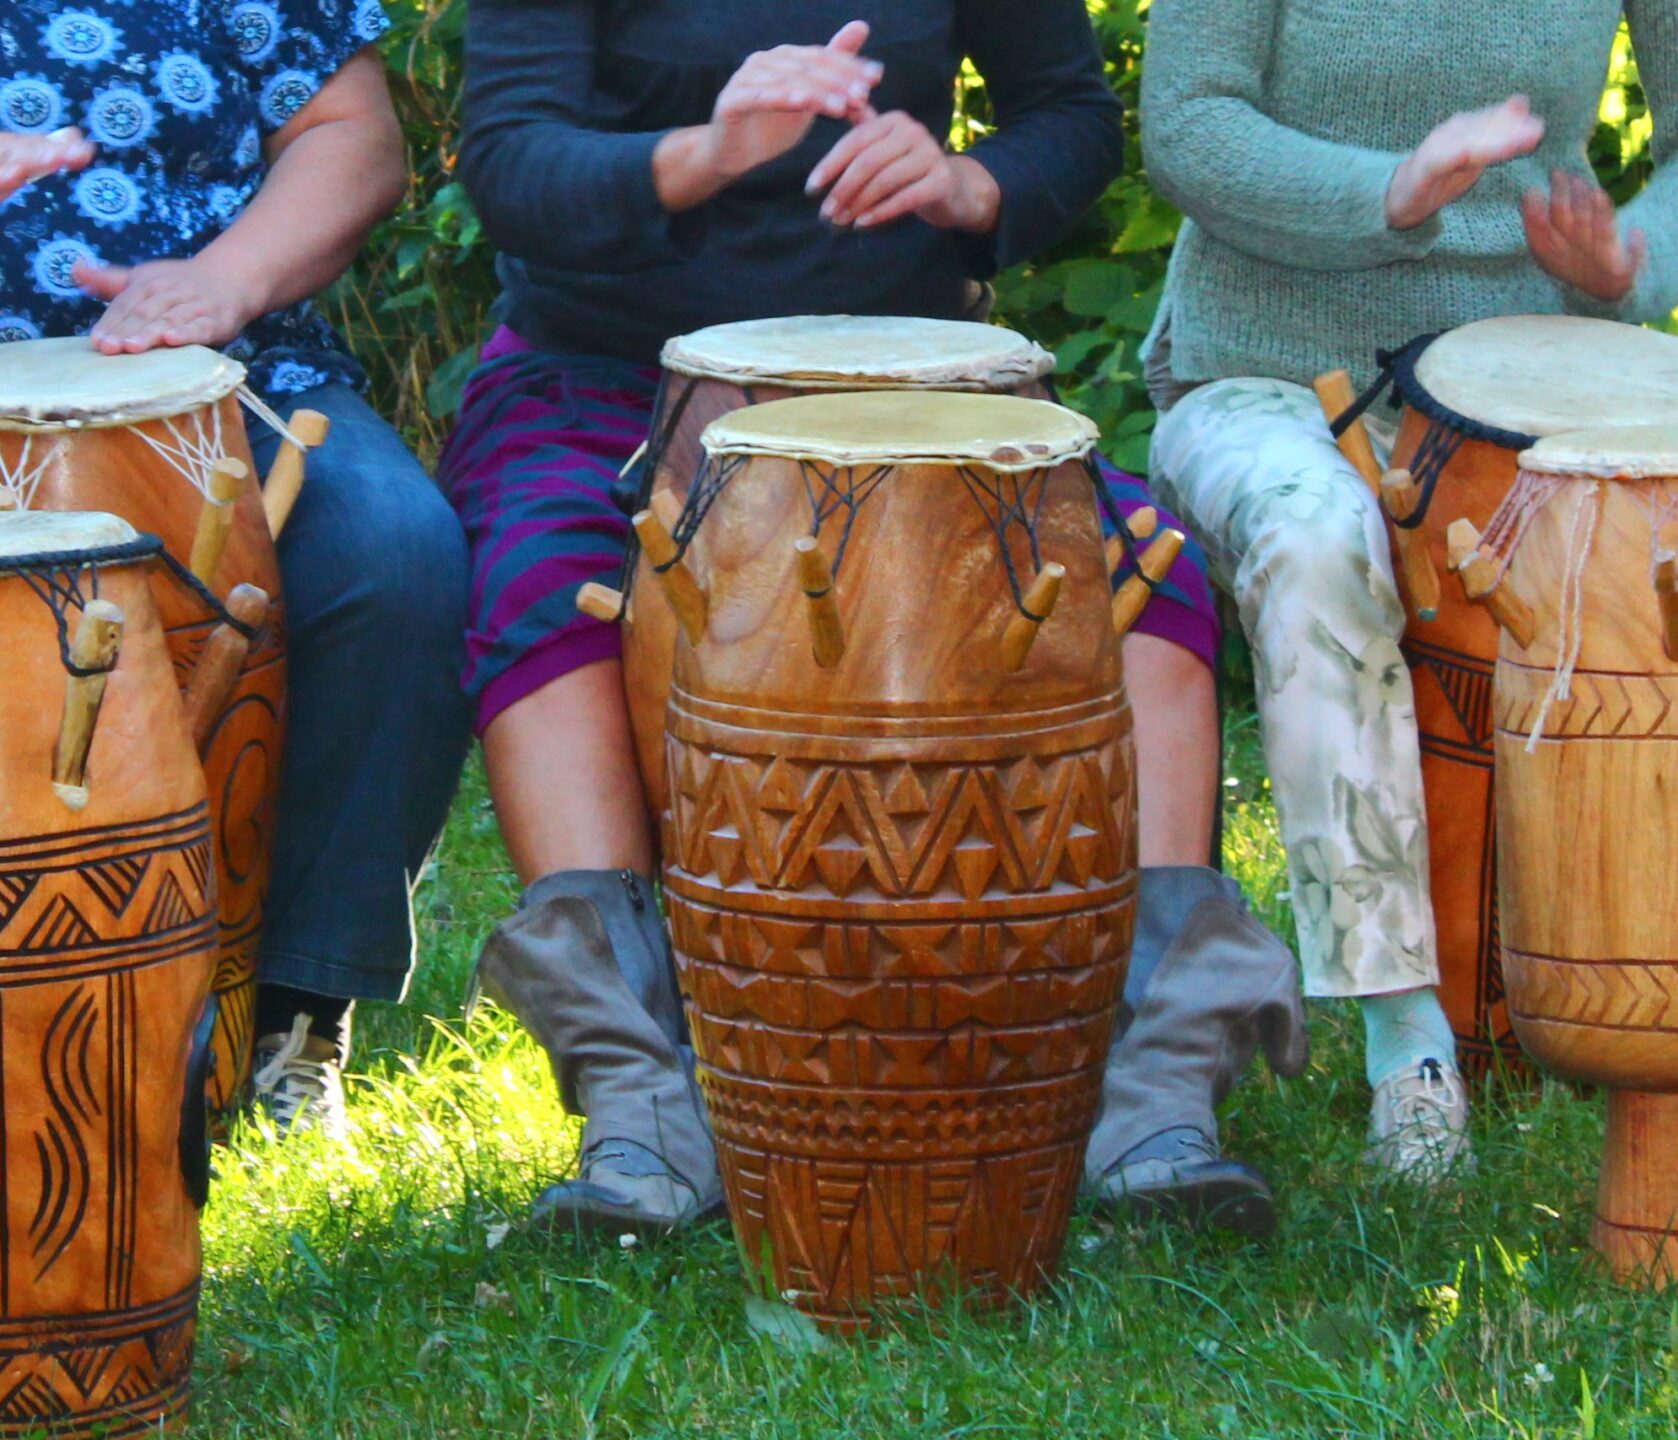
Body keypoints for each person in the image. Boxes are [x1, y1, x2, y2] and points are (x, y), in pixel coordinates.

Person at [451, 2, 1299, 1238]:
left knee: (1138, 578)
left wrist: (966, 185)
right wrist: (709, 152)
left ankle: (1154, 1079)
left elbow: (1068, 117)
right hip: (605, 374)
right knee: (549, 587)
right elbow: (511, 164)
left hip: (911, 373)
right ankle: (641, 1096)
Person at [1136, 0, 1678, 1178]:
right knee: (1317, 539)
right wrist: (1390, 189)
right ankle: (1408, 1041)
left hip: (1535, 381)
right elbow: (1185, 124)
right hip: (1264, 378)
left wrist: (1632, 261)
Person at [0, 3, 473, 1137]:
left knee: (391, 552)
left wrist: (224, 279)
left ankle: (292, 1013)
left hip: (228, 369)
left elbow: (351, 134)